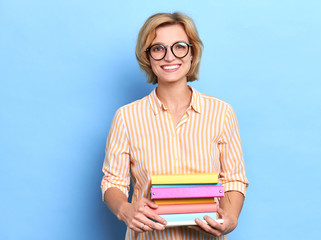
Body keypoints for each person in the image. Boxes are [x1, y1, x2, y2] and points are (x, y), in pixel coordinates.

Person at [101, 12, 249, 239]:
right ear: (147, 56)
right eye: (158, 48)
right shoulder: (126, 117)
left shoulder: (222, 113)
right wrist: (125, 209)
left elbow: (234, 178)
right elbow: (113, 181)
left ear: (192, 52)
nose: (169, 57)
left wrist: (230, 218)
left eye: (179, 47)